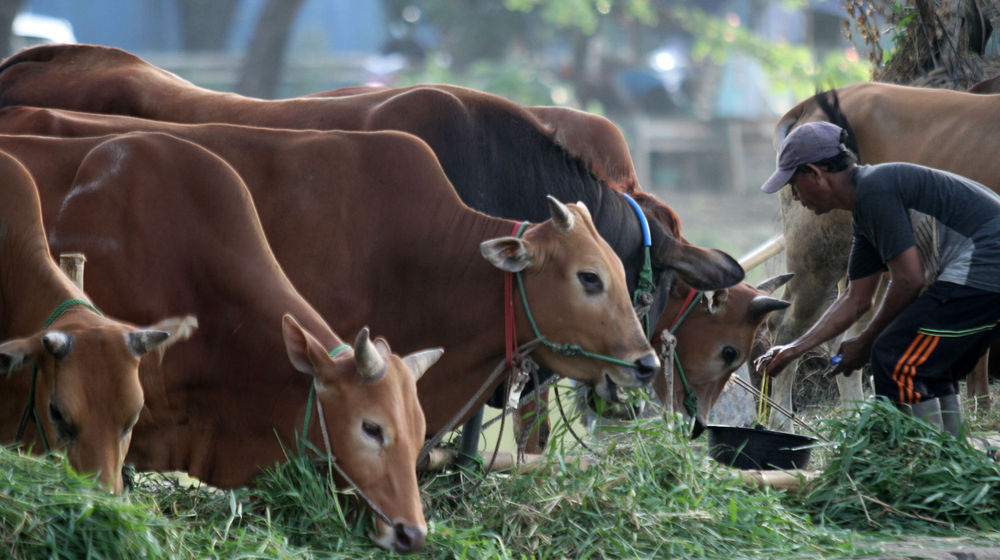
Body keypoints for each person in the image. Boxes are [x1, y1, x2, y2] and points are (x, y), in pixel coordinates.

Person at [753, 121, 1000, 437]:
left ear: (815, 174)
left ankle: (921, 461)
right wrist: (792, 350)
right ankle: (950, 458)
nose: (796, 198)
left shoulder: (875, 190)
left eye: (794, 185)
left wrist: (867, 341)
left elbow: (909, 278)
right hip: (981, 270)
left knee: (893, 355)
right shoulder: (865, 207)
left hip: (986, 263)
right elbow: (856, 299)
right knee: (925, 362)